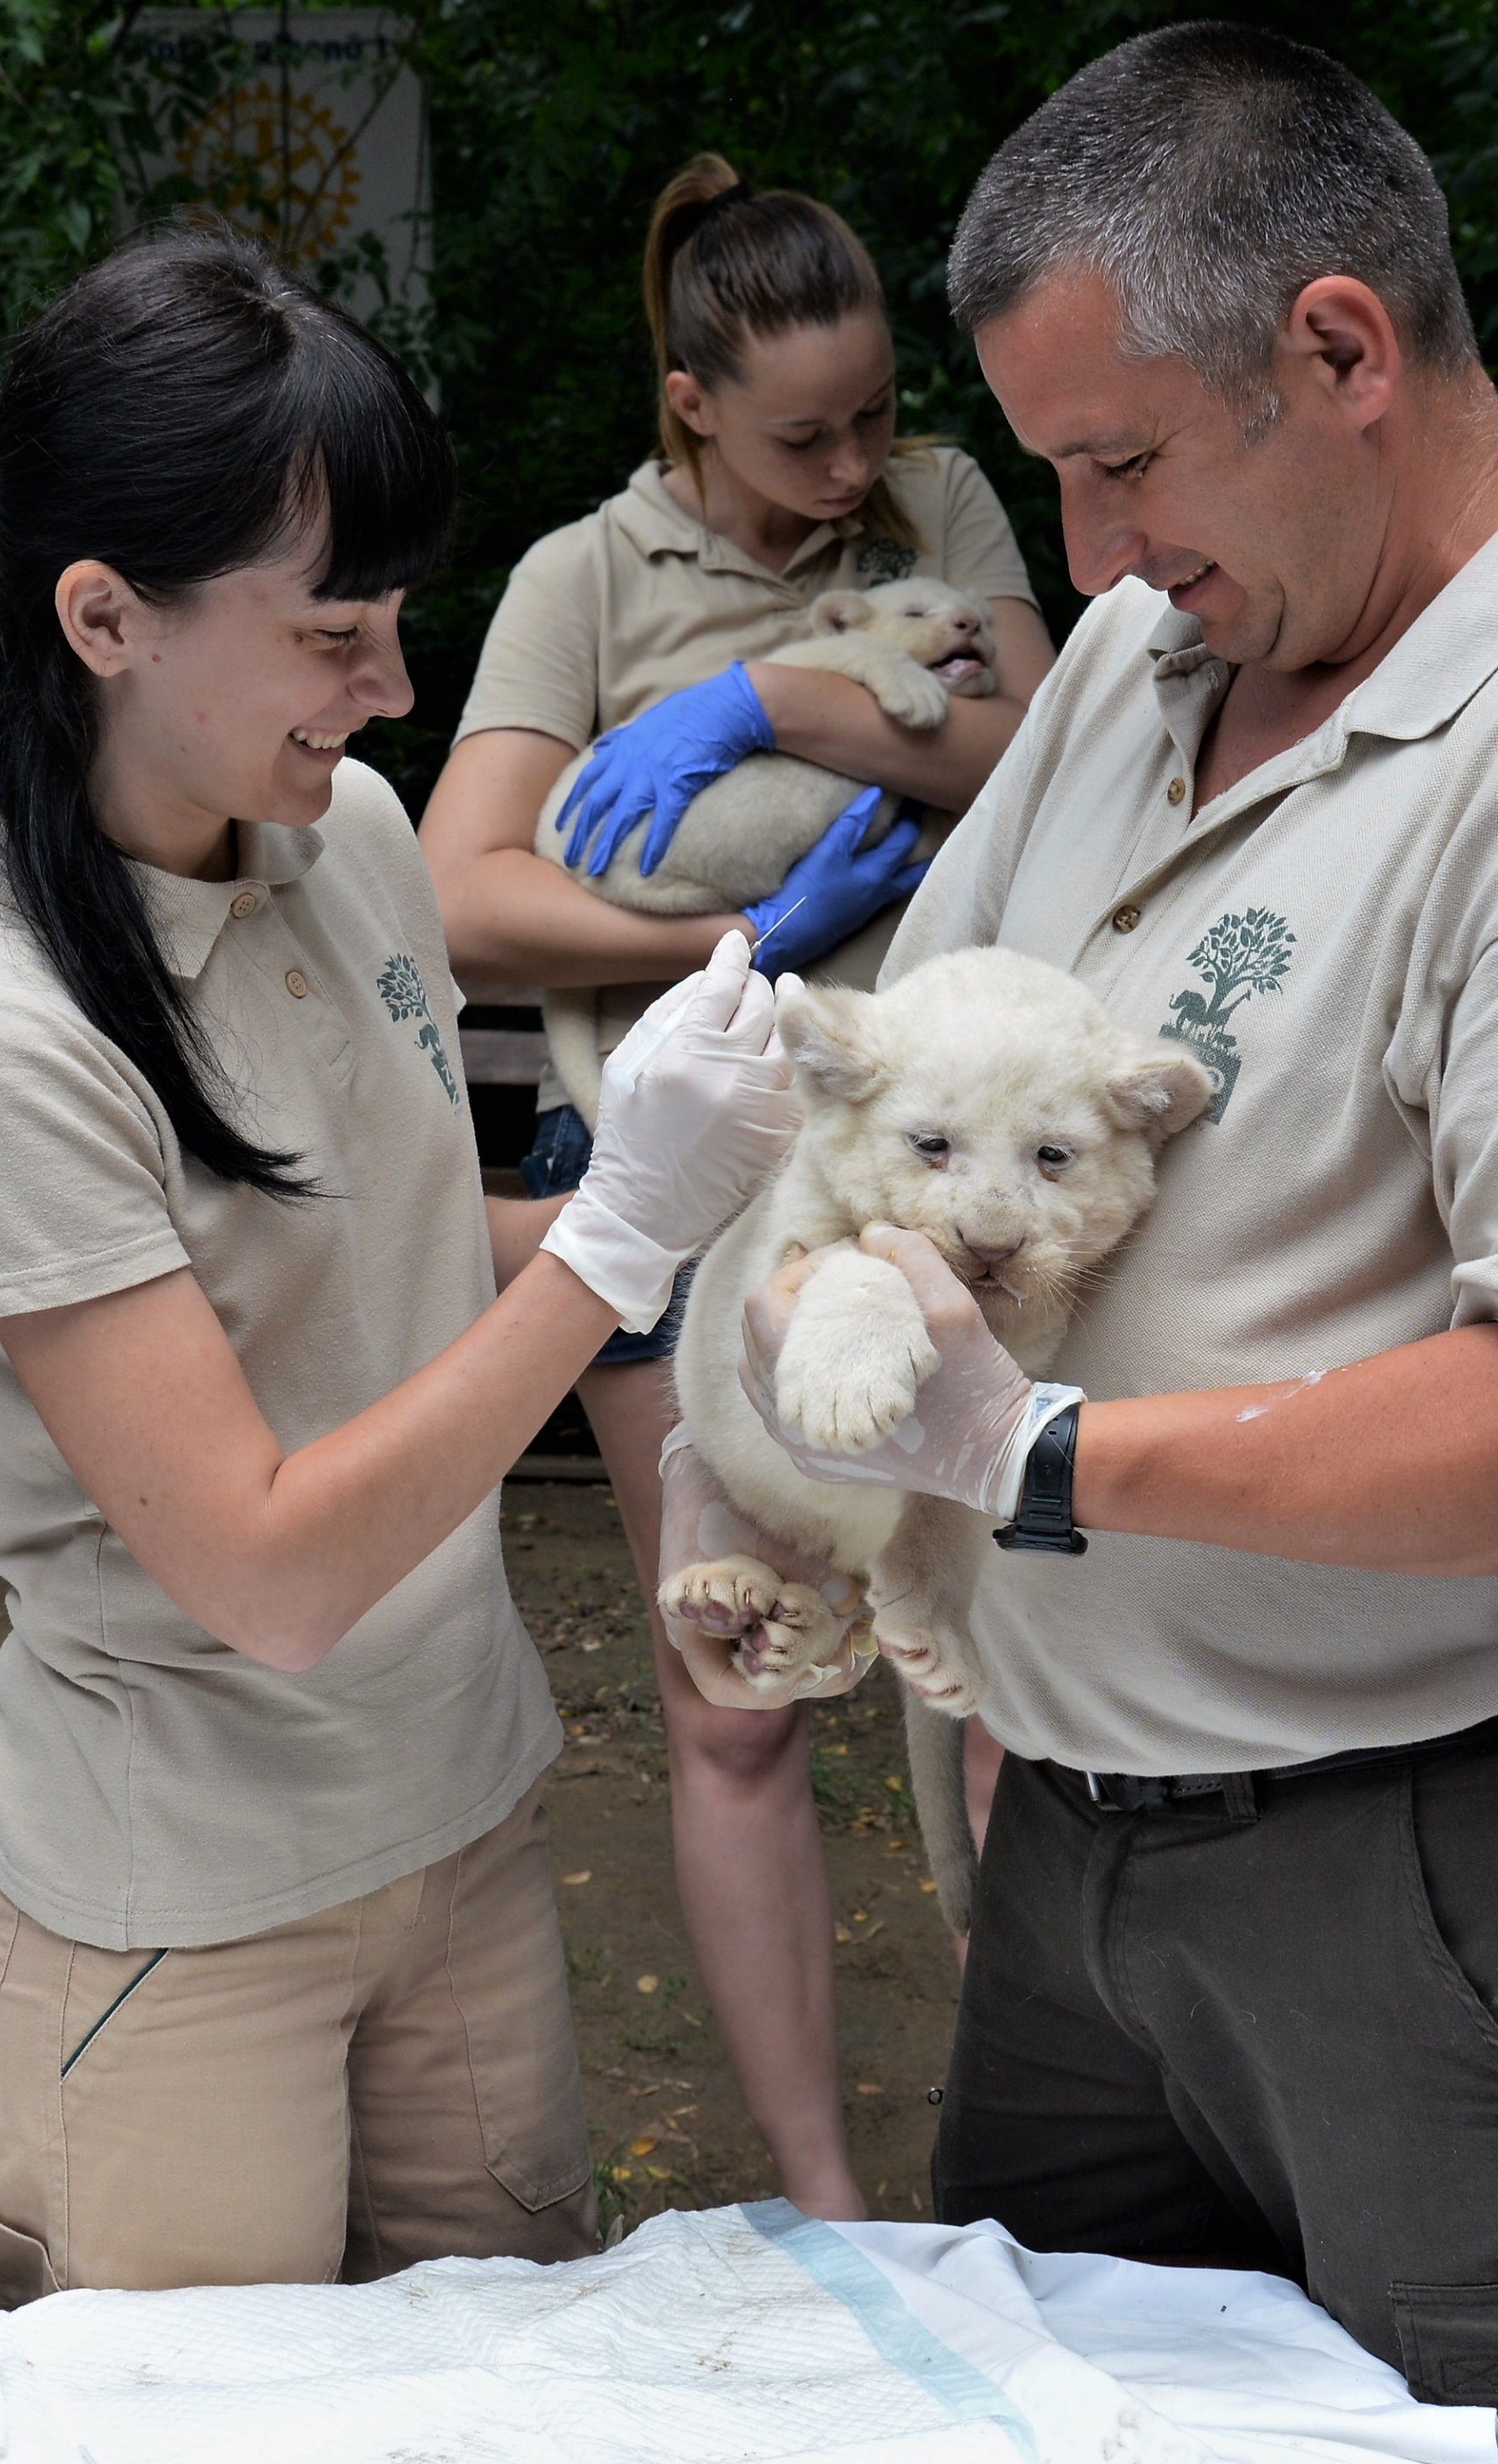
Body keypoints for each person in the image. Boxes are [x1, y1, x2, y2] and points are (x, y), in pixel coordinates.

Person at [684, 22, 1498, 2441]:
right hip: (1065, 1853)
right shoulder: (1161, 659)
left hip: (1417, 1869)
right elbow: (906, 1088)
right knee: (1030, 2414)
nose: (1086, 559)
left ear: (1342, 349)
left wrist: (1040, 1459)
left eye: (1121, 462)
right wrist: (774, 1318)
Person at [0, 227, 801, 2305]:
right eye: (331, 635)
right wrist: (620, 1242)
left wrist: (717, 1193)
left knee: (505, 2391)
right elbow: (265, 1570)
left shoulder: (353, 836)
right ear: (102, 616)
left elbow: (373, 1263)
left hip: (460, 1821)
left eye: (394, 620)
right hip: (182, 1912)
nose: (391, 689)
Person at [421, 153, 1053, 2216]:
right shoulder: (579, 580)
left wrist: (775, 699)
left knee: (1015, 1686)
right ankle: (837, 2211)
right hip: (692, 1208)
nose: (857, 461)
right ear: (688, 399)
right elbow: (456, 896)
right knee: (744, 1696)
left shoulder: (940, 506)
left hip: (957, 1187)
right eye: (805, 432)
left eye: (877, 411)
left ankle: (1039, 2160)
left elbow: (1052, 758)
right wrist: (746, 945)